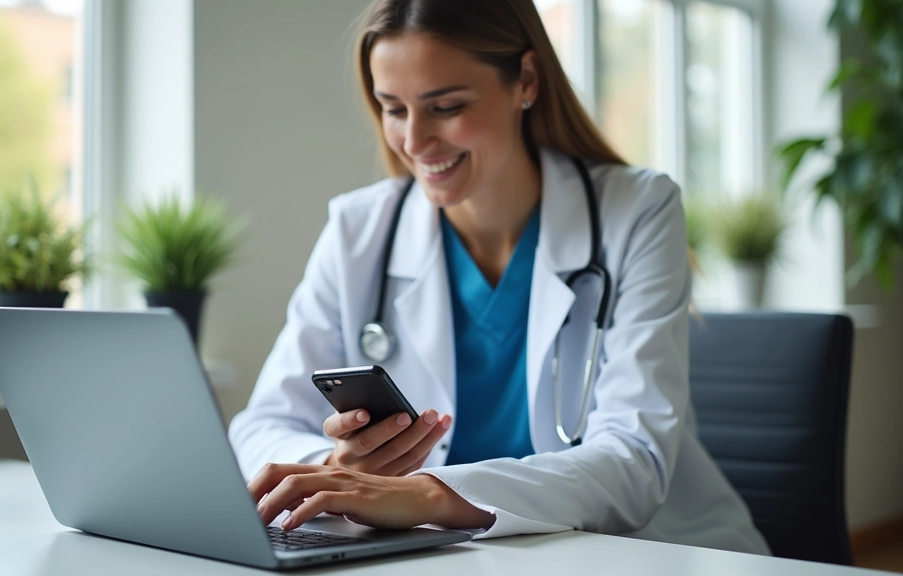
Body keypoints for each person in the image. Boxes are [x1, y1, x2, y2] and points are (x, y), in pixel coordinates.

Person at [228, 0, 769, 555]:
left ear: (526, 81)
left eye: (446, 107)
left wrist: (428, 495)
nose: (414, 142)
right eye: (393, 109)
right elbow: (262, 422)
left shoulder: (637, 211)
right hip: (446, 558)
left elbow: (634, 458)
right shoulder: (359, 228)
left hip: (640, 550)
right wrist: (339, 471)